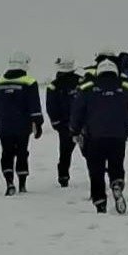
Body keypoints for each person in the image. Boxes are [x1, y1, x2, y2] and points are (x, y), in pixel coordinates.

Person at [70, 58, 128, 214]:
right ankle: (117, 183)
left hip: (94, 136)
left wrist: (75, 130)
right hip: (118, 136)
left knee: (96, 171)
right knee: (116, 164)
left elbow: (77, 110)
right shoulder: (125, 86)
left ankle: (100, 202)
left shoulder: (88, 87)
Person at [0, 51, 44, 196]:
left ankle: (9, 182)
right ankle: (22, 183)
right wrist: (38, 123)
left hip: (4, 125)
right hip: (22, 126)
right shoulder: (29, 82)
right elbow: (34, 105)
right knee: (22, 152)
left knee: (6, 153)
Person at [46, 56, 81, 188]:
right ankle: (98, 174)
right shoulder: (81, 81)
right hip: (82, 123)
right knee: (91, 152)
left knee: (65, 152)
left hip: (64, 125)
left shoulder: (54, 84)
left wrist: (55, 122)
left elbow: (50, 105)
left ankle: (63, 176)